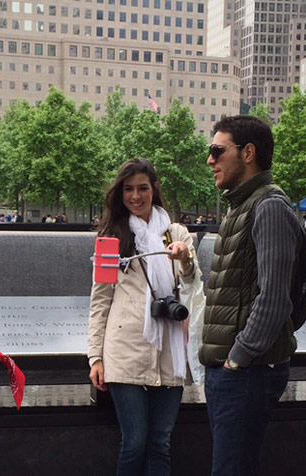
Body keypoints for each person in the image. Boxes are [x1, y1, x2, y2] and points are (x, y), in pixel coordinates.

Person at [201, 115, 299, 476]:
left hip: (247, 374)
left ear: (248, 153)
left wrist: (238, 358)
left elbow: (274, 298)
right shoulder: (240, 206)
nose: (210, 160)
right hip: (232, 372)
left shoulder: (268, 206)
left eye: (217, 150)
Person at [88, 158, 198, 476]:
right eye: (129, 189)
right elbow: (100, 301)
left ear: (154, 190)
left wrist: (185, 258)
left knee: (160, 441)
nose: (136, 196)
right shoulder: (111, 238)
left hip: (170, 350)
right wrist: (96, 356)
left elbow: (192, 283)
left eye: (143, 188)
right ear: (120, 193)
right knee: (134, 441)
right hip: (125, 351)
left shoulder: (176, 234)